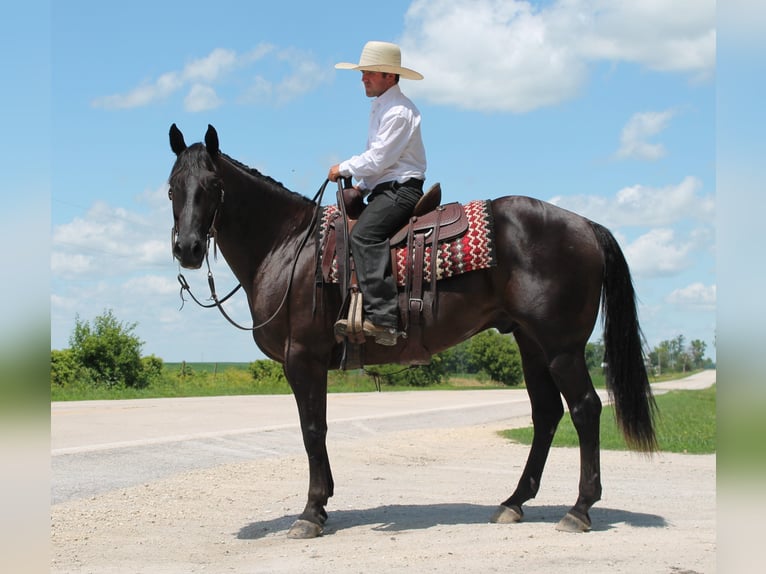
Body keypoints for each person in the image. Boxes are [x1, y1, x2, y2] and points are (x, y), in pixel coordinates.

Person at [329, 40, 427, 346]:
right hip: (386, 188)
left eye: (369, 73)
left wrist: (343, 168)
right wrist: (363, 187)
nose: (363, 79)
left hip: (402, 191)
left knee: (364, 236)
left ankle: (384, 320)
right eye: (363, 73)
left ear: (389, 75)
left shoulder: (398, 112)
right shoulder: (383, 106)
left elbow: (380, 159)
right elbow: (382, 164)